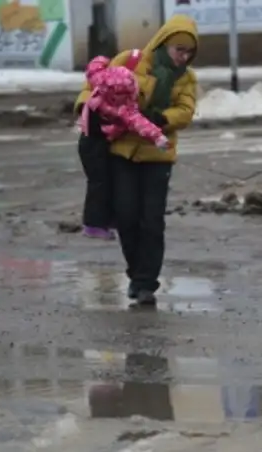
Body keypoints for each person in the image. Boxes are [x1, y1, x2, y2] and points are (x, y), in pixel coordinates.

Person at [75, 14, 198, 307]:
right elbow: (95, 85)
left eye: (189, 52)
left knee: (152, 221)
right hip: (121, 151)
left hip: (158, 155)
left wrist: (161, 119)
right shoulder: (130, 60)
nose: (183, 57)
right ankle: (135, 274)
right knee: (127, 216)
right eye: (179, 49)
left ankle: (146, 283)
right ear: (163, 43)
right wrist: (87, 108)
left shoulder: (187, 79)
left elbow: (186, 110)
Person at [77, 56, 170, 240]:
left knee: (104, 181)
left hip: (87, 140)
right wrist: (159, 138)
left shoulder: (100, 81)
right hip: (96, 145)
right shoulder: (124, 109)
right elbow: (142, 124)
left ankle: (108, 219)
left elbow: (93, 67)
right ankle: (93, 224)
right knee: (100, 183)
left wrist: (104, 60)